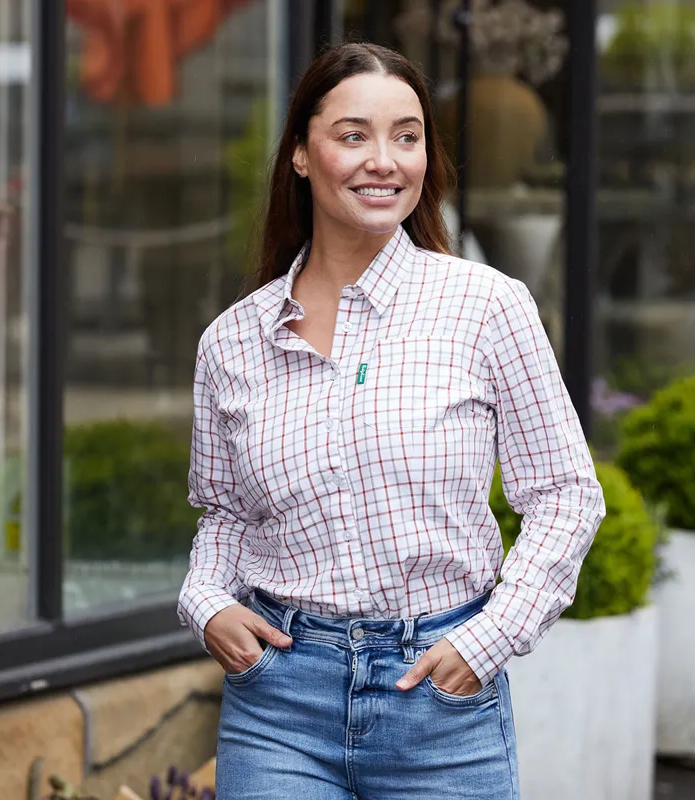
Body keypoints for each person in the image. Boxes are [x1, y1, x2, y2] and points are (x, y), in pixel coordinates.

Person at [178, 42, 605, 800]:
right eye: (353, 135)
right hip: (279, 699)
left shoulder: (486, 308)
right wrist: (206, 602)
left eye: (406, 136)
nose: (385, 160)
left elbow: (568, 493)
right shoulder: (233, 341)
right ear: (302, 156)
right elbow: (225, 513)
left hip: (439, 697)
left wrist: (488, 638)